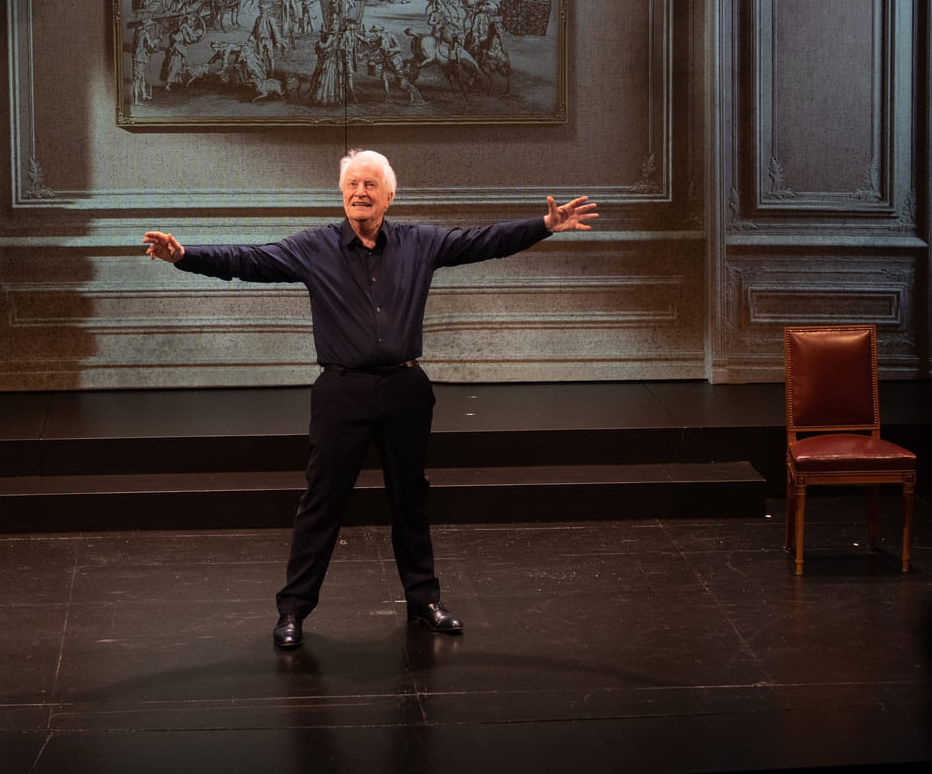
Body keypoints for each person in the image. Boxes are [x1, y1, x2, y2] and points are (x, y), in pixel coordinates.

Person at [142, 150, 599, 651]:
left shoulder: (419, 242)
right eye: (353, 184)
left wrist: (544, 226)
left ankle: (423, 600)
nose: (360, 192)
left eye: (370, 185)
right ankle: (293, 610)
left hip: (405, 389)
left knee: (410, 499)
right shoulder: (313, 247)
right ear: (342, 194)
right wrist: (184, 256)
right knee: (322, 502)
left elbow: (482, 241)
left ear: (389, 195)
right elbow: (247, 259)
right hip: (343, 392)